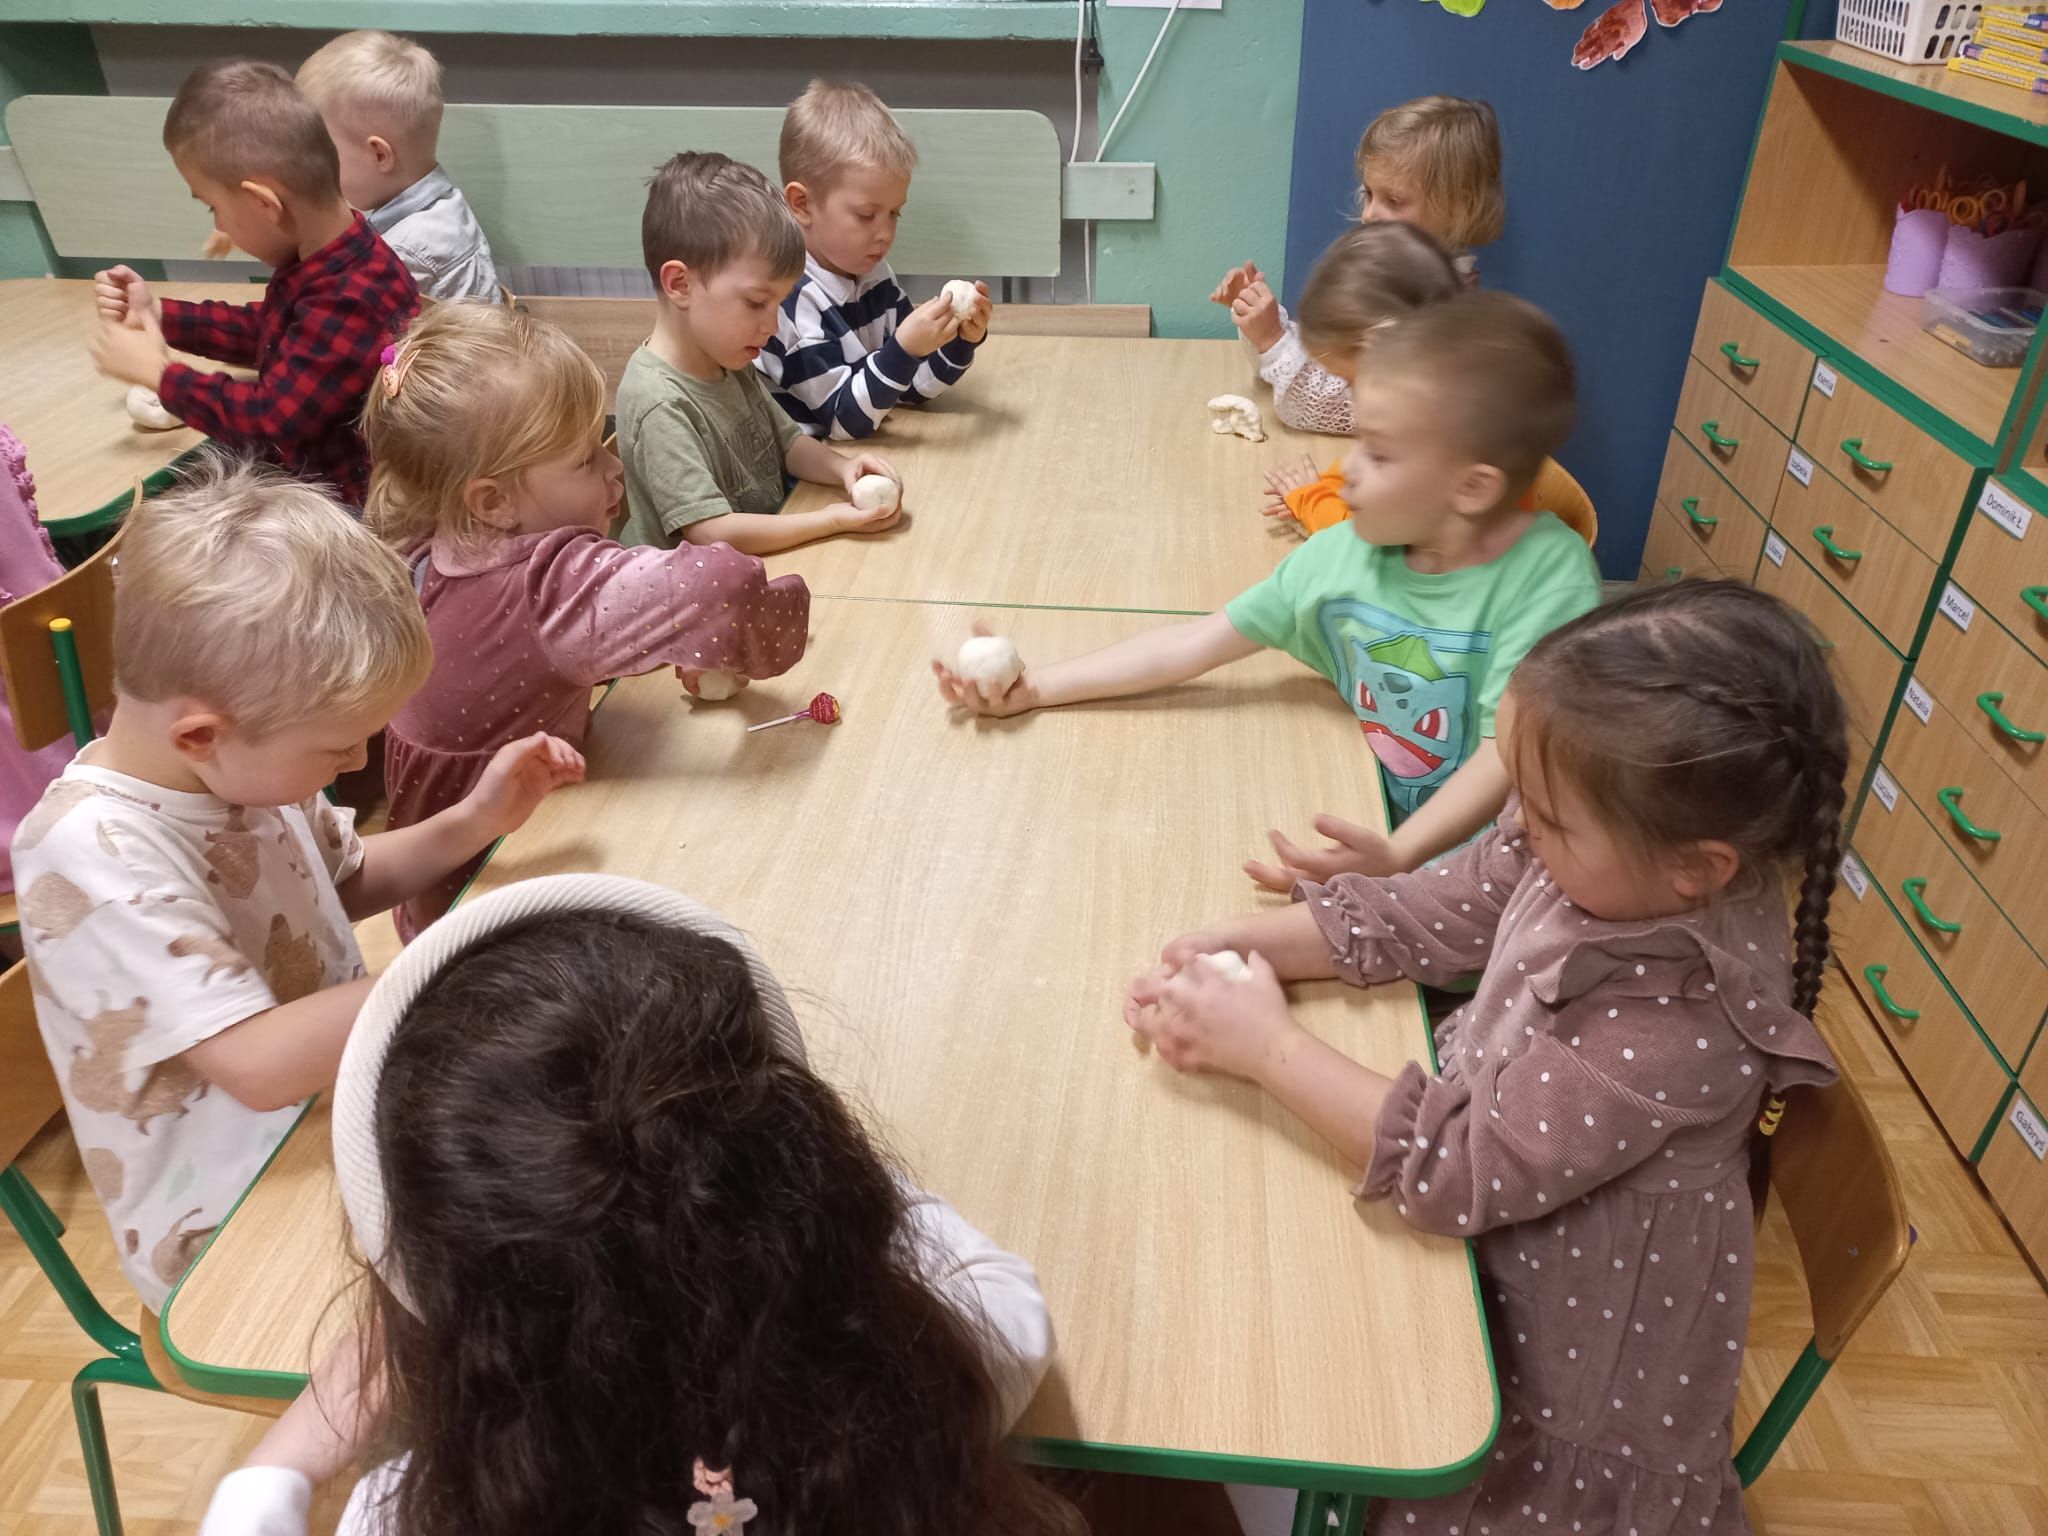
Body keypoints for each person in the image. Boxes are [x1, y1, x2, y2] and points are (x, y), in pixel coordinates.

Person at [1126, 580, 1846, 1536]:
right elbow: (1436, 909)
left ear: (1695, 867)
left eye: (1545, 815)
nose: (1520, 828)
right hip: (1488, 1200)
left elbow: (1460, 1168)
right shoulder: (1601, 851)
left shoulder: (1684, 1025)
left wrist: (1264, 1044)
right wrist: (1235, 947)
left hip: (1559, 1352)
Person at [195, 875, 1073, 1536]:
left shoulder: (406, 1514)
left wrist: (272, 1475)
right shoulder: (935, 1394)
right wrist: (804, 1182)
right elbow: (1002, 1292)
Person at [11, 462, 581, 1311]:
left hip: (337, 1114)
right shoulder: (93, 856)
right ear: (201, 733)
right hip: (227, 1229)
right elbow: (258, 1063)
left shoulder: (241, 770)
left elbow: (341, 882)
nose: (359, 762)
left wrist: (474, 820)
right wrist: (463, 964)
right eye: (338, 747)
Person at [934, 292, 1599, 881]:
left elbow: (1505, 756)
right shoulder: (1342, 556)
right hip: (1383, 837)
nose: (1346, 471)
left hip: (1511, 870)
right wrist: (1038, 689)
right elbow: (1195, 644)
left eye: (1378, 452)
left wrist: (1400, 857)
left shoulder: (1551, 584)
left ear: (1471, 487)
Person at [363, 301, 812, 940]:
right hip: (501, 902)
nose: (614, 466)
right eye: (583, 459)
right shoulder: (545, 583)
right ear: (493, 501)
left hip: (434, 887)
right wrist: (762, 630)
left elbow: (531, 657)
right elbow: (725, 586)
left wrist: (671, 638)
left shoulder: (437, 540)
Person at [90, 60, 419, 509]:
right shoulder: (333, 258)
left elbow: (269, 423)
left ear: (263, 203)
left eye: (213, 208)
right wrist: (162, 314)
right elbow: (270, 331)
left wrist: (159, 376)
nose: (219, 226)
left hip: (345, 515)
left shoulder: (351, 296)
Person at [616, 151, 904, 555]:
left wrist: (842, 468)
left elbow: (788, 444)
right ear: (680, 284)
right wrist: (830, 521)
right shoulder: (658, 403)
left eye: (779, 303)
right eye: (756, 303)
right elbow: (711, 532)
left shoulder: (726, 358)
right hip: (696, 588)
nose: (772, 325)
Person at [1212, 95, 1504, 435]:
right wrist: (1259, 319)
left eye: (1393, 200)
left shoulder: (1441, 311)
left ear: (1457, 209)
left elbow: (1342, 408)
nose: (1368, 214)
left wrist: (1273, 340)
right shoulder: (1392, 275)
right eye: (1369, 194)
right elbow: (1327, 356)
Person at [755, 79, 990, 440]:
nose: (885, 234)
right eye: (866, 215)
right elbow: (843, 420)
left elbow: (907, 386)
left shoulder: (873, 274)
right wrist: (904, 349)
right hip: (800, 464)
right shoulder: (791, 300)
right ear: (802, 204)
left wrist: (959, 341)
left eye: (895, 213)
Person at [296, 29, 501, 301]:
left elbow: (345, 315)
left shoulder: (403, 253)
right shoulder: (446, 206)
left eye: (324, 151)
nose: (318, 167)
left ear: (380, 155)